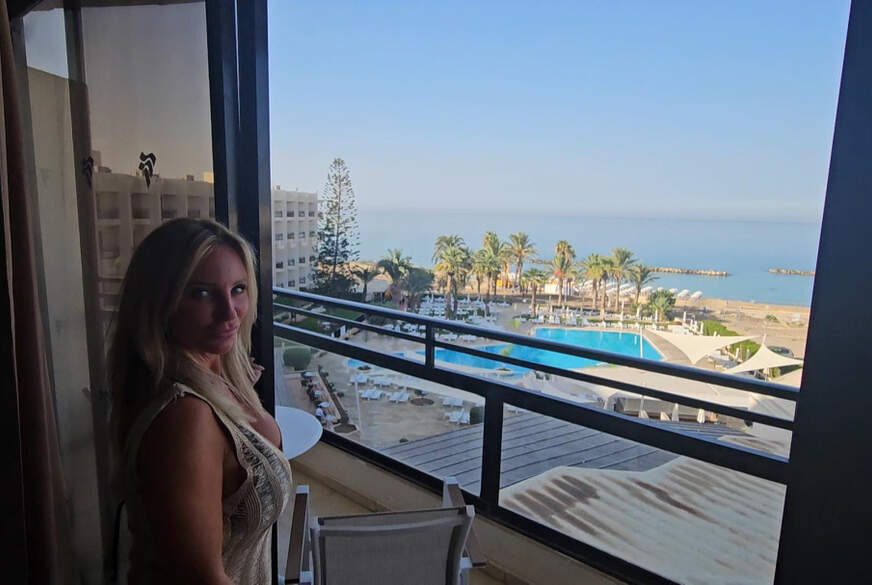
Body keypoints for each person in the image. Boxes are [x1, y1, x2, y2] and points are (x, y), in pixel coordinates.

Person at [108, 218, 291, 585]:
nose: (230, 312)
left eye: (238, 289)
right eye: (202, 293)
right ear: (160, 303)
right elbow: (203, 578)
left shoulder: (222, 375)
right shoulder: (184, 415)